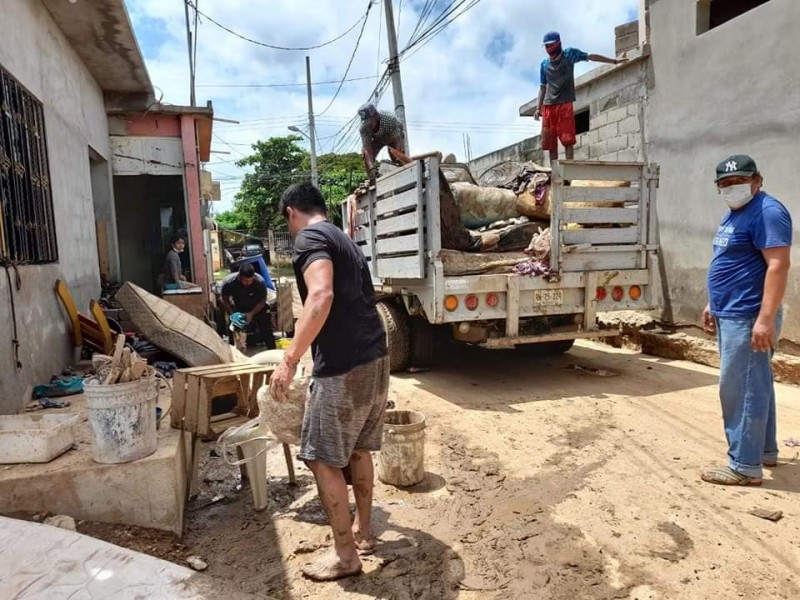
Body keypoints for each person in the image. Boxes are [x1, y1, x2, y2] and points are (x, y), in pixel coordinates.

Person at [269, 181, 389, 581]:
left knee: (321, 458)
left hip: (344, 365)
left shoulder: (310, 237)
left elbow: (320, 297)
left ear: (291, 212)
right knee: (357, 447)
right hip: (375, 354)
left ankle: (346, 557)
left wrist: (289, 359)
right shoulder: (343, 237)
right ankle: (364, 534)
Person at [701, 154, 792, 486]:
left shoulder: (767, 212)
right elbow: (728, 260)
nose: (732, 188)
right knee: (757, 385)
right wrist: (713, 303)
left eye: (738, 181)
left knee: (740, 389)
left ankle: (744, 465)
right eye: (725, 184)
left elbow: (778, 265)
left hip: (749, 315)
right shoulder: (736, 215)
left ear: (757, 180)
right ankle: (764, 451)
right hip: (731, 312)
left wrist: (765, 318)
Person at [533, 31, 625, 163]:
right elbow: (542, 87)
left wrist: (614, 61)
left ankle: (569, 174)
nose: (548, 49)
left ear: (558, 43)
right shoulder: (544, 64)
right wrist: (538, 108)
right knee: (550, 144)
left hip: (565, 103)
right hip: (548, 107)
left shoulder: (570, 54)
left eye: (551, 45)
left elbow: (591, 57)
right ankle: (555, 176)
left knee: (567, 140)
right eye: (546, 46)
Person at [219, 263, 276, 349]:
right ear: (239, 276)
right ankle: (233, 351)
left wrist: (251, 313)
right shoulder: (229, 282)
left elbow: (263, 300)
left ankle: (272, 349)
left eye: (250, 281)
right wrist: (232, 313)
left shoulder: (260, 282)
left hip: (257, 308)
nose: (248, 283)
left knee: (266, 325)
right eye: (245, 281)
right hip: (238, 308)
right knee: (233, 327)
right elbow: (224, 298)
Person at [358, 103, 407, 181]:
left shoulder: (390, 119)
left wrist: (398, 158)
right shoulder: (363, 128)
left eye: (370, 121)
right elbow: (367, 149)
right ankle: (372, 178)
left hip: (393, 137)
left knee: (397, 157)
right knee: (364, 152)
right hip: (377, 139)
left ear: (376, 116)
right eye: (366, 122)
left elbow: (398, 140)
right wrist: (371, 168)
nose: (368, 125)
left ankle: (402, 172)